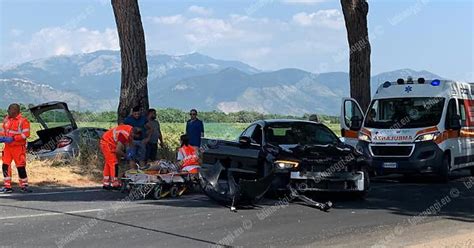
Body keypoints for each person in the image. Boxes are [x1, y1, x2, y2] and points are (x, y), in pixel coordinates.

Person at [0, 104, 31, 193]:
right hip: (7, 147)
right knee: (5, 166)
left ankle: (24, 185)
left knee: (20, 166)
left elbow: (26, 134)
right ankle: (7, 186)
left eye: (10, 109)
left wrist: (13, 138)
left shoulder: (23, 121)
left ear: (15, 111)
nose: (8, 111)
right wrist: (2, 138)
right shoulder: (6, 119)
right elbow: (3, 131)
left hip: (18, 147)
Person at [100, 124, 139, 190]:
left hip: (108, 142)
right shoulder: (123, 135)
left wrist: (132, 154)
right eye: (134, 137)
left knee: (108, 163)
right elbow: (118, 150)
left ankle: (106, 183)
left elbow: (130, 143)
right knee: (114, 163)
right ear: (132, 133)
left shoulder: (130, 129)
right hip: (107, 143)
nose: (134, 139)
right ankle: (115, 184)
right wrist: (125, 156)